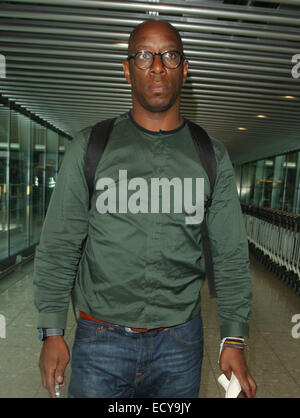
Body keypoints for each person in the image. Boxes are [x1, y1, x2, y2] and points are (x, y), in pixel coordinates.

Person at [33, 19, 257, 399]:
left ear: (184, 70)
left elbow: (230, 254)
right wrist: (52, 331)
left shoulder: (210, 155)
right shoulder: (91, 147)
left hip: (180, 345)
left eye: (169, 55)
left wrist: (233, 338)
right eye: (143, 55)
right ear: (127, 70)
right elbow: (59, 244)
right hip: (99, 341)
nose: (157, 66)